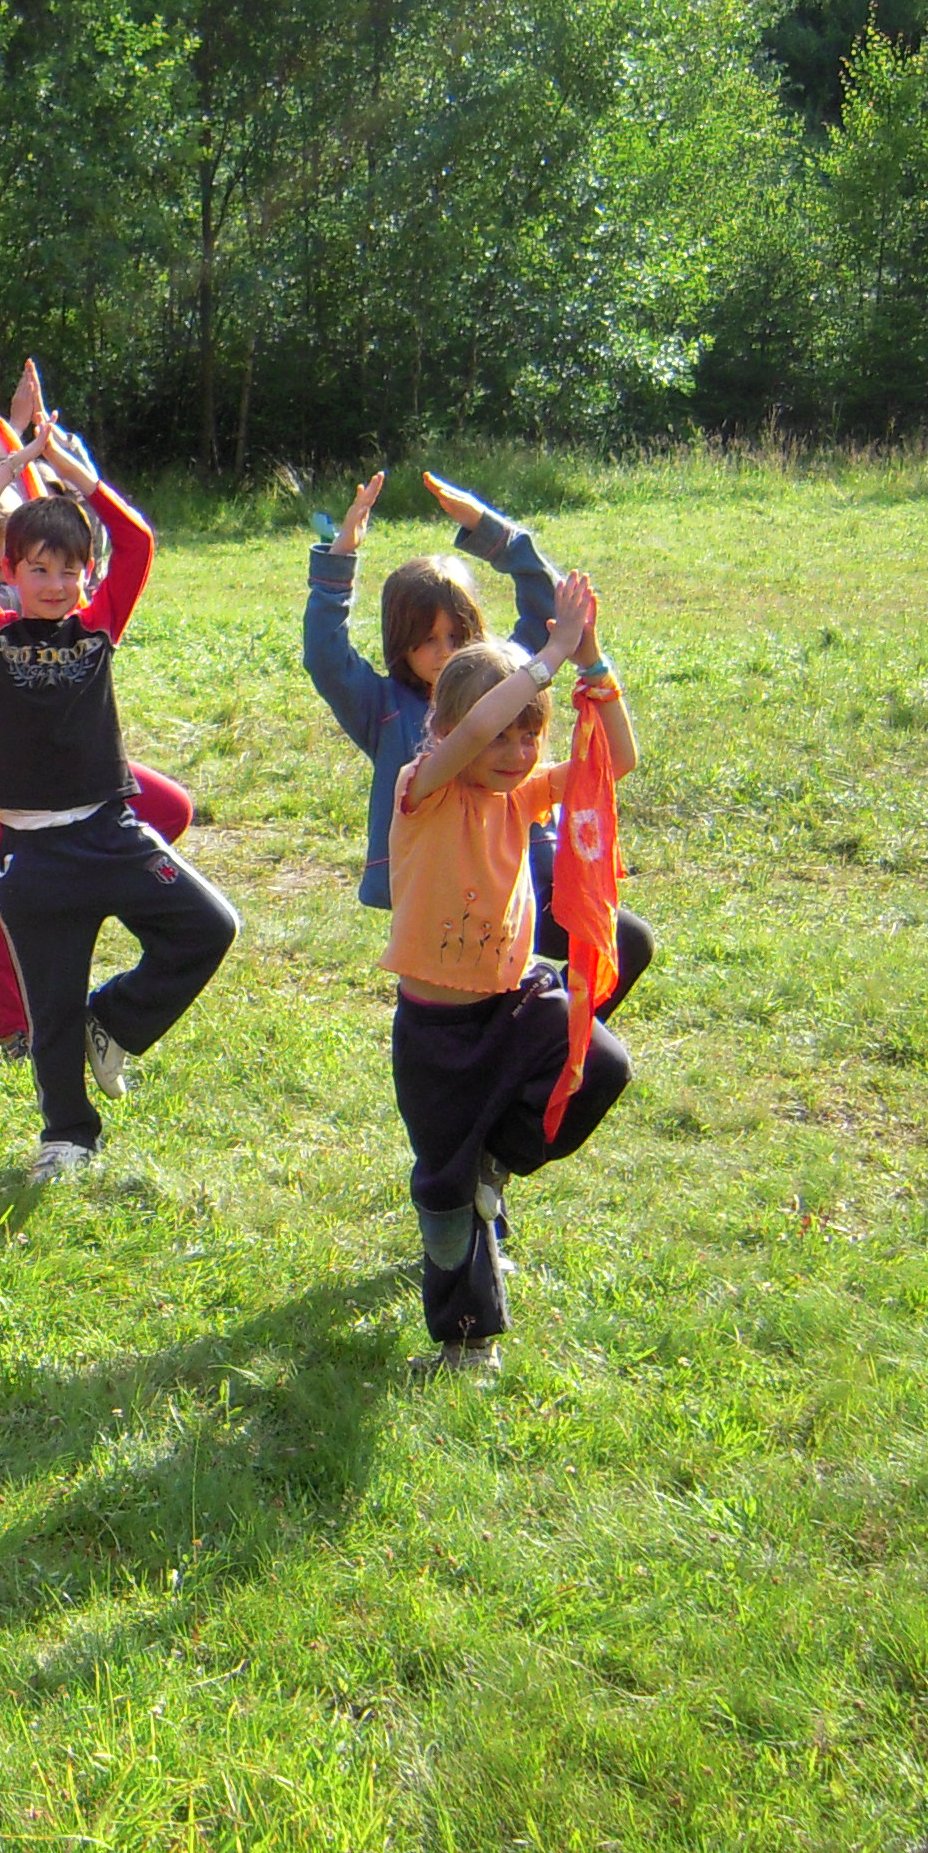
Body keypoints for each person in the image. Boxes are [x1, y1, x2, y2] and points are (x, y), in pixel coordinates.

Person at [0, 420, 237, 1182]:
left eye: (69, 570)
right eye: (38, 569)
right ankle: (68, 1136)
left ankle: (112, 1023)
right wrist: (6, 469)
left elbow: (137, 542)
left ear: (87, 575)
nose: (54, 584)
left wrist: (77, 475)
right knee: (51, 1010)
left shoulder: (100, 626)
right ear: (10, 572)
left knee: (210, 926)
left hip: (111, 833)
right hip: (34, 858)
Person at [383, 582, 639, 1378]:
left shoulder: (521, 797)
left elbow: (618, 762)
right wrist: (549, 654)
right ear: (445, 730)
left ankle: (496, 1160)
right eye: (501, 736)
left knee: (604, 1065)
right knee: (444, 1201)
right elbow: (477, 730)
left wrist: (591, 661)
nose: (518, 752)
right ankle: (467, 1345)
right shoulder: (423, 789)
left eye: (532, 735)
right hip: (437, 1034)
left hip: (513, 1002)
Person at [308, 467, 655, 1009]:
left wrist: (493, 532)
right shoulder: (382, 707)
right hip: (448, 903)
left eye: (457, 635)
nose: (445, 651)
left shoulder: (504, 674)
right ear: (399, 643)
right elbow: (325, 656)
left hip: (526, 873)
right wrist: (341, 556)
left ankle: (565, 1040)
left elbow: (552, 612)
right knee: (480, 997)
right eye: (426, 639)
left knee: (624, 940)